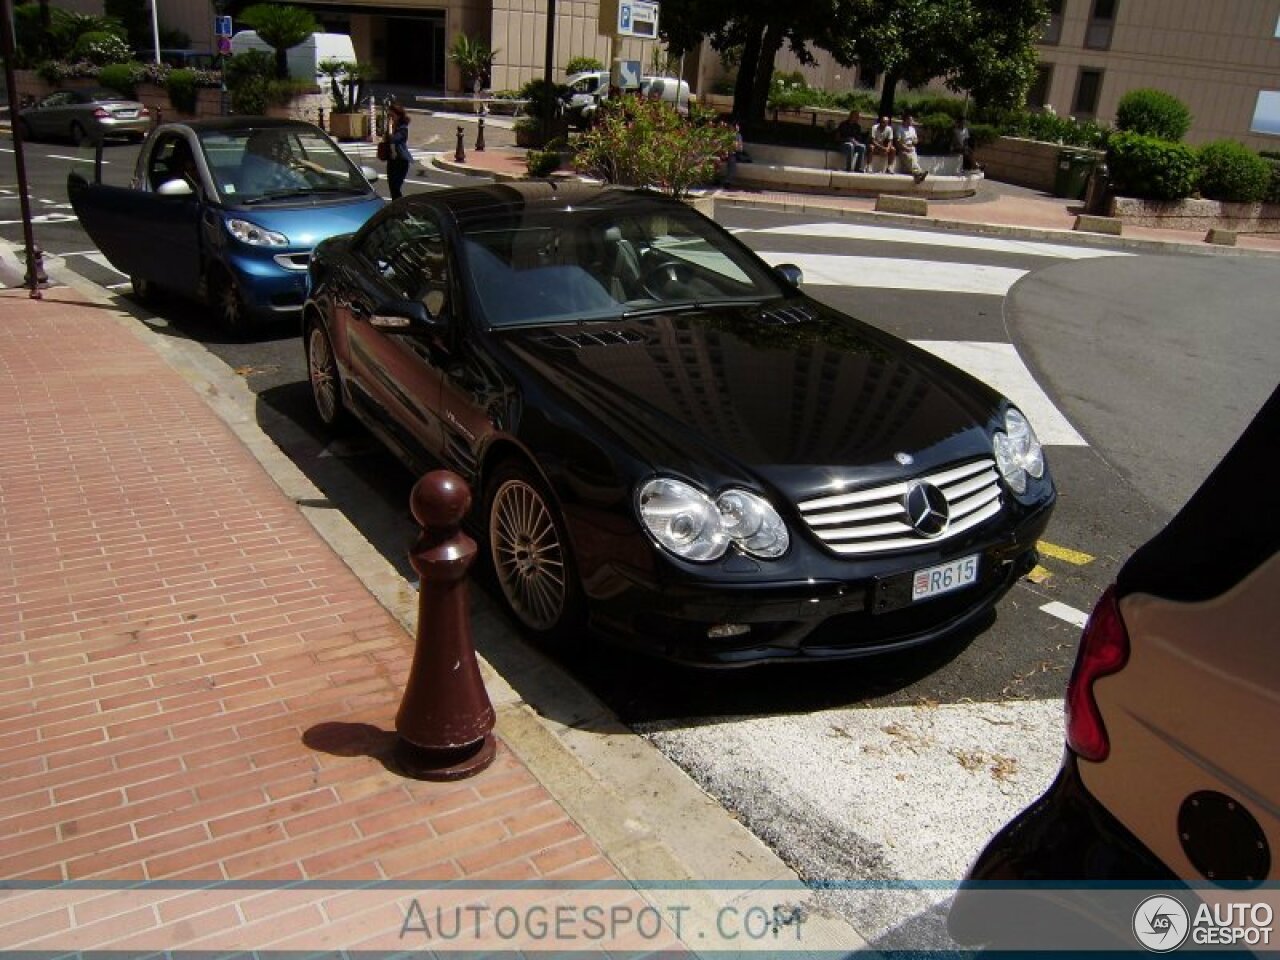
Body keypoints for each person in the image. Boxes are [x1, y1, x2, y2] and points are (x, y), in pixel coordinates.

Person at [384, 102, 412, 200]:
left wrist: (390, 128)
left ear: (399, 116)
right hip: (391, 161)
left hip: (401, 161)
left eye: (392, 116)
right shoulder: (390, 128)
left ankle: (402, 207)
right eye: (388, 116)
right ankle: (397, 207)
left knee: (396, 187)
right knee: (392, 188)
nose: (390, 118)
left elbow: (394, 139)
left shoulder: (403, 129)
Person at [896, 113, 928, 183]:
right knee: (909, 158)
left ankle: (917, 175)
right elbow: (898, 142)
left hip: (912, 147)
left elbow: (915, 140)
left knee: (913, 159)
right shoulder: (900, 129)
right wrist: (905, 148)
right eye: (910, 120)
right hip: (903, 148)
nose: (912, 121)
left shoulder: (912, 129)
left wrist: (915, 141)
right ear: (906, 120)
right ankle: (920, 172)